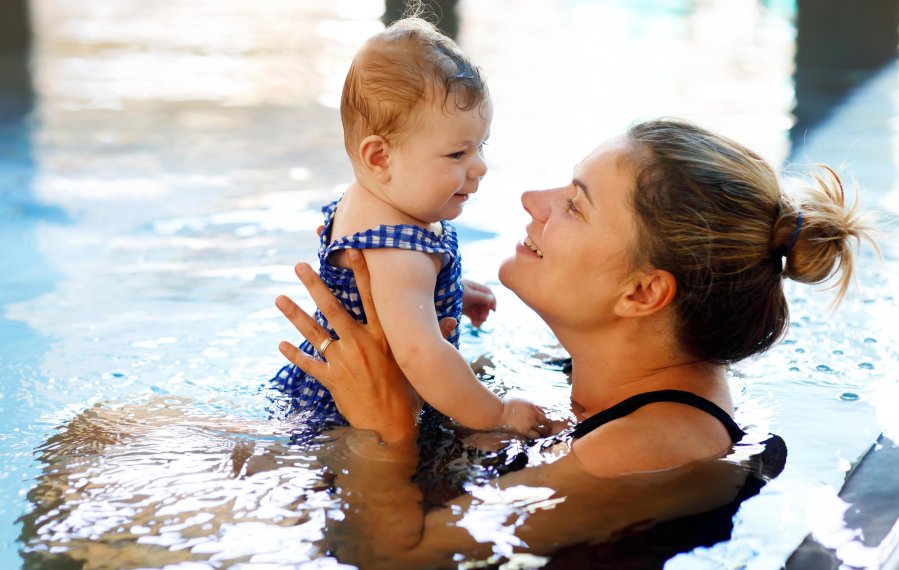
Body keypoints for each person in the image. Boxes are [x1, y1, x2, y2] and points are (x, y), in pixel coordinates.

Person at [275, 118, 875, 565]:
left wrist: (387, 431)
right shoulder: (620, 381)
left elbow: (398, 559)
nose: (532, 202)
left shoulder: (651, 449)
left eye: (574, 205)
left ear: (642, 294)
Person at [271, 17, 546, 437]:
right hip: (349, 422)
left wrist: (445, 290)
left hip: (319, 392)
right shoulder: (400, 253)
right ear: (380, 157)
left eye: (480, 146)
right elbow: (421, 355)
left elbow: (391, 296)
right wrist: (499, 415)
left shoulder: (371, 200)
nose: (480, 167)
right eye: (457, 154)